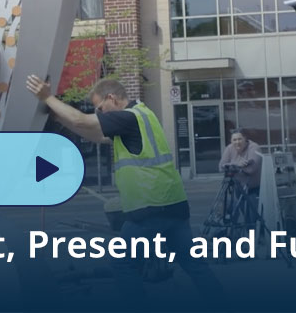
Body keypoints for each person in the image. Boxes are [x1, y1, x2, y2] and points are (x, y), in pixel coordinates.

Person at [25, 75, 223, 304]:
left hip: (149, 209)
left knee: (123, 262)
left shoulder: (128, 117)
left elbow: (81, 120)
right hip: (174, 205)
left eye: (101, 107)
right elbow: (96, 135)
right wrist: (59, 117)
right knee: (193, 264)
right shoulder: (143, 115)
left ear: (112, 98)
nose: (100, 113)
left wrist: (47, 97)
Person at [218, 129, 262, 195]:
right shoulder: (229, 148)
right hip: (238, 186)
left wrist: (231, 167)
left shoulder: (254, 147)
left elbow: (251, 169)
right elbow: (221, 167)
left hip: (254, 187)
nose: (237, 142)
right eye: (234, 140)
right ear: (231, 141)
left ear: (245, 139)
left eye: (240, 139)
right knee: (238, 204)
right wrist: (237, 164)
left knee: (252, 204)